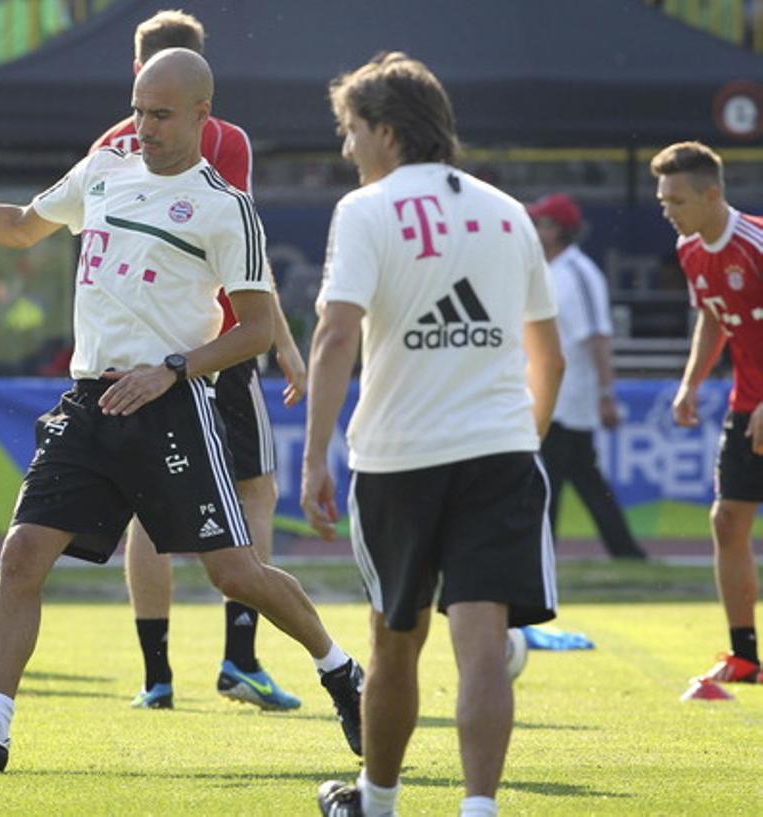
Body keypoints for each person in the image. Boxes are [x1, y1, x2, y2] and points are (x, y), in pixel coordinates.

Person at [0, 48, 363, 773]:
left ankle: (340, 668)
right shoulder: (105, 167)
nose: (144, 125)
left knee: (233, 571)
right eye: (137, 109)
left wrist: (172, 371)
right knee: (21, 553)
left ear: (202, 113)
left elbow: (257, 328)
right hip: (89, 399)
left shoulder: (225, 208)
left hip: (171, 404)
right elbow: (18, 225)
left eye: (161, 113)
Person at [301, 53, 564, 817]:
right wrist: (524, 437)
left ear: (385, 131)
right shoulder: (509, 211)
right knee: (482, 643)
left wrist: (315, 453)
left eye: (351, 131)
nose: (347, 149)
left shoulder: (365, 211)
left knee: (394, 641)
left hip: (397, 458)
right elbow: (549, 355)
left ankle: (376, 805)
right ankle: (477, 809)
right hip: (500, 454)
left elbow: (334, 337)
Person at [88, 8, 307, 711]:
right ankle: (240, 659)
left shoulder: (106, 146)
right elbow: (242, 251)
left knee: (147, 517)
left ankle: (156, 675)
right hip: (210, 351)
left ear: (136, 65)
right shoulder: (221, 137)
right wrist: (284, 342)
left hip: (125, 353)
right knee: (255, 492)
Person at [652, 141, 763, 684]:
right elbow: (714, 319)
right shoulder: (691, 250)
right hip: (747, 405)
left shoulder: (757, 243)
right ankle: (744, 656)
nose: (666, 210)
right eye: (662, 199)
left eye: (675, 199)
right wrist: (690, 382)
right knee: (726, 522)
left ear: (711, 193)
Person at [527, 193, 648, 561]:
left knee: (549, 481)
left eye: (542, 223)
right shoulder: (548, 270)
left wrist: (605, 392)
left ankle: (541, 554)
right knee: (583, 480)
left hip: (570, 397)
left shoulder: (579, 271)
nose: (535, 229)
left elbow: (598, 335)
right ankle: (625, 551)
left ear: (560, 229)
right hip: (551, 395)